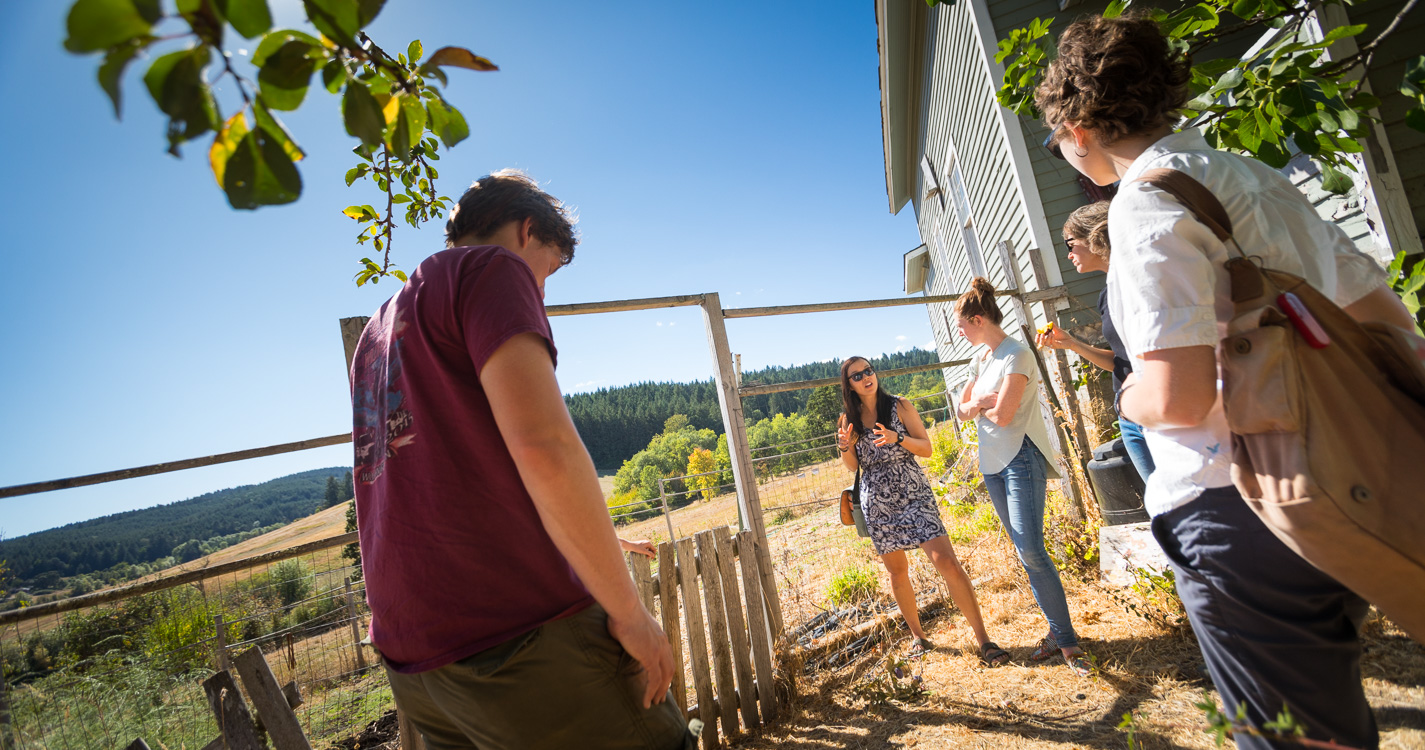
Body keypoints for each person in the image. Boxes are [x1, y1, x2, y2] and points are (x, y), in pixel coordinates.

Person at [1036, 14, 1415, 749]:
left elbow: (1176, 397)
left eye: (1056, 138)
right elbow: (1387, 322)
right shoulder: (1251, 177)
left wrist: (1127, 393)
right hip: (1345, 476)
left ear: (1079, 124)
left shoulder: (1144, 207)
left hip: (1237, 501)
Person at [349, 170, 694, 749]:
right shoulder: (492, 268)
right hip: (517, 637)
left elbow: (456, 477)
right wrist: (631, 614)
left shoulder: (379, 333)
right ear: (526, 231)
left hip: (418, 662)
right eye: (549, 269)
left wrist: (598, 540)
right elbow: (545, 450)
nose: (541, 290)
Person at [953, 278, 1090, 677]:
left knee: (1032, 550)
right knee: (1024, 551)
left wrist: (981, 406)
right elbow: (962, 411)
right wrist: (980, 402)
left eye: (962, 325)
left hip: (1020, 458)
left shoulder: (1016, 355)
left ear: (977, 319)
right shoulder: (981, 361)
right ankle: (1056, 632)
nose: (960, 333)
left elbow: (1006, 415)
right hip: (992, 465)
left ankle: (1066, 641)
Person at [835, 357, 1009, 664]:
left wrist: (897, 438)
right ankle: (919, 637)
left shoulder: (900, 406)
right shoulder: (848, 417)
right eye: (857, 375)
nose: (866, 377)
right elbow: (853, 466)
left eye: (869, 370)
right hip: (877, 501)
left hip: (912, 491)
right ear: (848, 384)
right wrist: (845, 446)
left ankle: (984, 640)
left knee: (947, 563)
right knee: (897, 572)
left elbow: (926, 448)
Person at [1034, 201, 1154, 479]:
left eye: (1070, 243)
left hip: (1156, 411)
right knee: (1163, 508)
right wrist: (1073, 344)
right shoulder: (1106, 294)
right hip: (1130, 420)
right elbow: (1122, 363)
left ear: (1096, 237)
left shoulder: (1141, 281)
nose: (1068, 254)